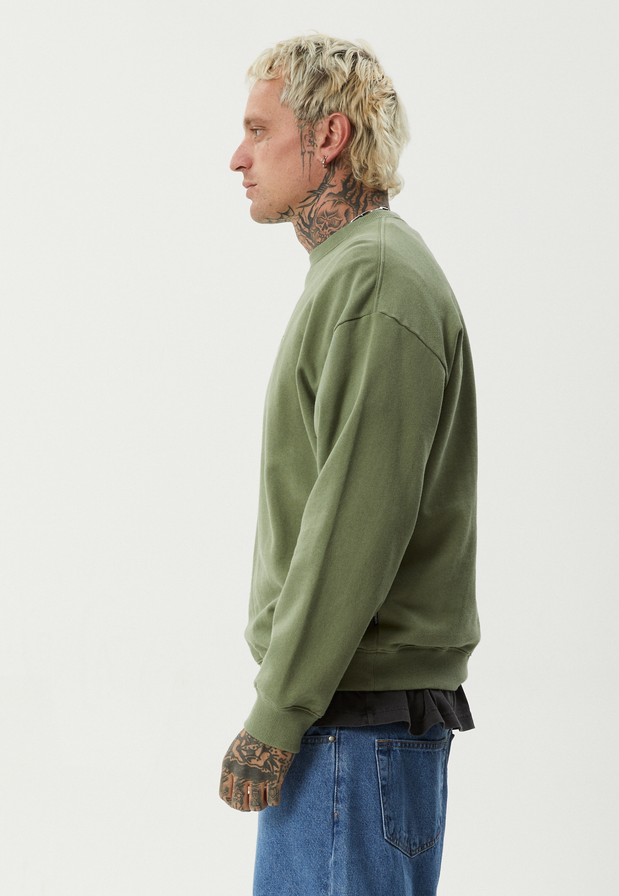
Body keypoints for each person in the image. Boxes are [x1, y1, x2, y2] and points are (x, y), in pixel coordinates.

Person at [219, 34, 480, 896]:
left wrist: (277, 712)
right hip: (349, 735)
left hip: (348, 737)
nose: (238, 158)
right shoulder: (355, 272)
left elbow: (354, 529)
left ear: (328, 136)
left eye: (259, 130)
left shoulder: (375, 281)